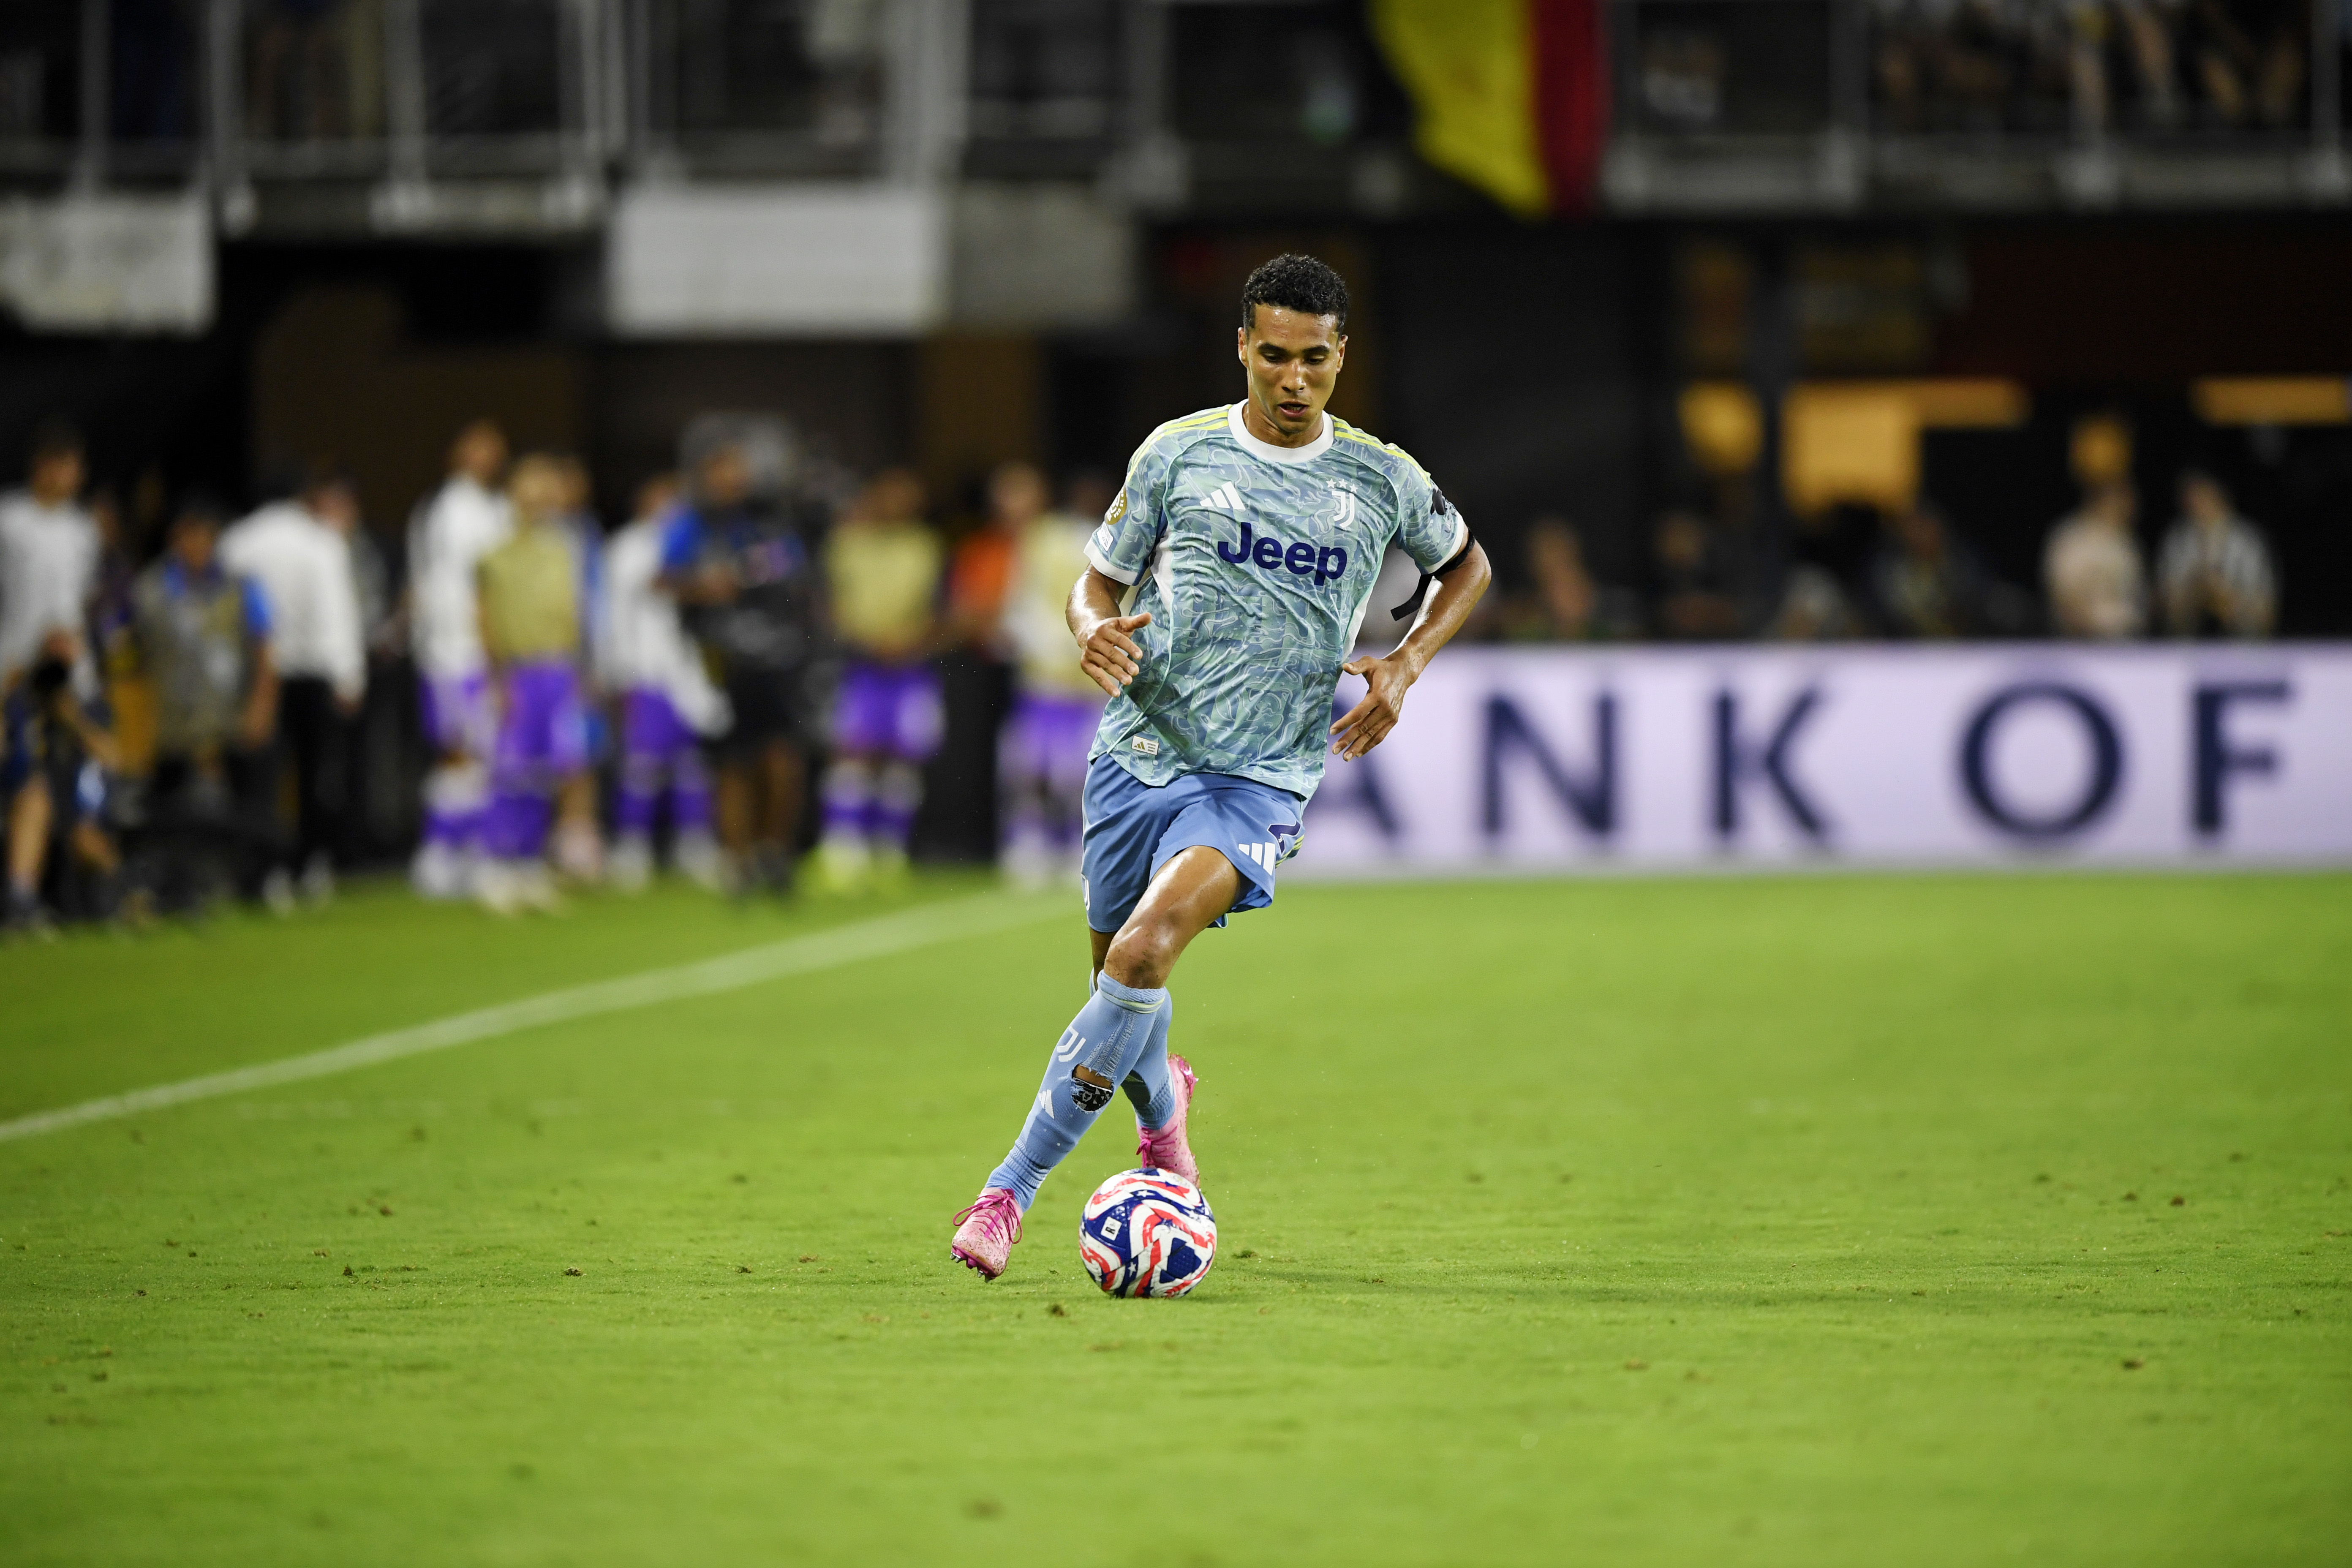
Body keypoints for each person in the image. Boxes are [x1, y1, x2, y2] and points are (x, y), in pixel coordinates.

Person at [948, 253, 1491, 1279]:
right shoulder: (1178, 453)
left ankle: (1006, 1193)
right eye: (1275, 355)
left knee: (1144, 951)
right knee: (1119, 986)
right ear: (1243, 346)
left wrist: (1407, 661)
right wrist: (1090, 630)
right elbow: (1095, 583)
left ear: (1342, 357)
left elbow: (1467, 561)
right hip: (1138, 750)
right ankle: (1165, 1121)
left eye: (1315, 359)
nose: (1294, 379)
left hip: (1261, 774)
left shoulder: (1379, 477)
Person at [661, 434, 825, 896]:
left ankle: (773, 851)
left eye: (737, 470)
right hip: (720, 657)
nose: (730, 480)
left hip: (775, 654)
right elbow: (662, 579)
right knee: (732, 761)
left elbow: (798, 577)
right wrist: (703, 587)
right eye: (721, 471)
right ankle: (736, 859)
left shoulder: (770, 522)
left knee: (783, 757)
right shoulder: (692, 523)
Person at [221, 463, 366, 906]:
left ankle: (262, 870)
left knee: (261, 779)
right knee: (313, 775)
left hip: (256, 674)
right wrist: (349, 674)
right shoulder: (319, 541)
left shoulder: (237, 541)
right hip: (311, 672)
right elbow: (336, 610)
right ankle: (308, 863)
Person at [130, 498, 281, 910]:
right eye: (186, 534)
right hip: (173, 719)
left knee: (248, 806)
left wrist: (261, 706)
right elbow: (133, 658)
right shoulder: (150, 590)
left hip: (229, 712)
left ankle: (256, 882)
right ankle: (176, 888)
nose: (194, 544)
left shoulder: (240, 588)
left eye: (203, 535)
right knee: (171, 810)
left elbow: (265, 650)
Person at [472, 455, 592, 916]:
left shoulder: (562, 550)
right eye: (533, 486)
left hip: (558, 671)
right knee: (511, 772)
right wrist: (496, 677)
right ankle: (496, 864)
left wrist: (577, 675)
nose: (543, 496)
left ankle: (529, 863)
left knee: (547, 773)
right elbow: (484, 618)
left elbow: (570, 617)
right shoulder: (495, 555)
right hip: (518, 672)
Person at [817, 470, 944, 891]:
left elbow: (943, 607)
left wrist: (915, 640)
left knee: (903, 758)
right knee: (851, 752)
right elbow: (828, 603)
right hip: (859, 665)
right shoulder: (847, 544)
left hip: (910, 666)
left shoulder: (925, 547)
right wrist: (861, 638)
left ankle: (891, 849)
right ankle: (842, 848)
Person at [602, 474, 727, 891]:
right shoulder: (628, 546)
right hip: (646, 668)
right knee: (643, 764)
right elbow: (618, 610)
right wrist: (618, 667)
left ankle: (694, 844)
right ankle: (632, 847)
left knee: (691, 763)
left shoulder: (696, 541)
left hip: (687, 670)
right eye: (664, 500)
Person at [988, 464, 1110, 888]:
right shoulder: (1042, 538)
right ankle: (1029, 841)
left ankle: (1077, 844)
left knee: (1085, 772)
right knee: (1033, 767)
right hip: (1045, 679)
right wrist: (1040, 638)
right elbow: (1023, 597)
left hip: (1095, 680)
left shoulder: (1119, 538)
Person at [407, 420, 512, 898]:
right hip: (454, 649)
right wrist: (485, 645)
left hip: (475, 647)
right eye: (476, 447)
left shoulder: (490, 506)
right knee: (460, 751)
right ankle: (437, 855)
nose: (485, 457)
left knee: (483, 754)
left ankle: (469, 850)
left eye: (492, 448)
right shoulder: (452, 508)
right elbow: (467, 585)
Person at [0, 420, 101, 696]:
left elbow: (84, 596)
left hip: (70, 661)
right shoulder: (8, 518)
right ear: (43, 465)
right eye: (67, 465)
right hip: (15, 656)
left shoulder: (84, 529)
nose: (75, 475)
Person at [2157, 470, 2276, 638]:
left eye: (2202, 495)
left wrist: (2225, 599)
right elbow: (2164, 601)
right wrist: (2196, 592)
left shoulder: (2247, 540)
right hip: (2187, 639)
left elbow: (2267, 608)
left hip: (2242, 640)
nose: (2194, 503)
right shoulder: (2178, 540)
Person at [2045, 479, 2147, 639]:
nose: (2131, 506)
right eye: (2123, 498)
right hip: (2084, 642)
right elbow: (2064, 597)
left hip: (2129, 641)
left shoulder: (2126, 542)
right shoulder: (2073, 538)